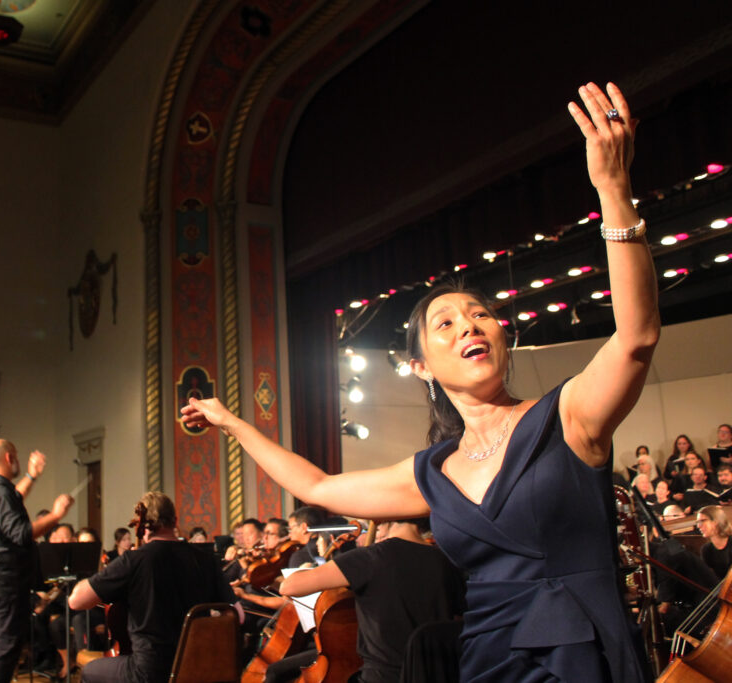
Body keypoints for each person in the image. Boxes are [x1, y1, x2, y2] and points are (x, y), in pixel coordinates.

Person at [183, 82, 655, 681]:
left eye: (481, 315)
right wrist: (230, 422)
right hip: (485, 661)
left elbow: (636, 335)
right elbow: (320, 485)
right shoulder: (432, 474)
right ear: (422, 366)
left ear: (503, 338)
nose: (469, 326)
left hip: (582, 658)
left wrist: (614, 190)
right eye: (446, 322)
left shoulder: (566, 417)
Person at [69, 492, 236, 683]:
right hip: (198, 668)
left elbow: (76, 601)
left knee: (91, 671)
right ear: (175, 521)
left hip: (149, 671)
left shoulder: (134, 560)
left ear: (143, 526)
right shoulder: (206, 559)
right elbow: (235, 614)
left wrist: (89, 580)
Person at [280, 518, 466, 682]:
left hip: (381, 676)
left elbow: (289, 587)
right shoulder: (448, 561)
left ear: (385, 518)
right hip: (436, 674)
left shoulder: (373, 557)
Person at [0, 438, 73, 683]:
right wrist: (56, 514)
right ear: (9, 458)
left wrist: (32, 475)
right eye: (16, 455)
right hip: (5, 583)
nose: (17, 460)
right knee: (6, 648)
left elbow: (15, 496)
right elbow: (22, 534)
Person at [696, 505, 732, 580]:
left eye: (702, 521)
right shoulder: (706, 549)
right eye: (698, 522)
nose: (699, 526)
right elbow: (709, 578)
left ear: (715, 521)